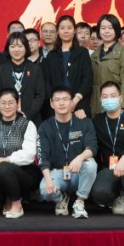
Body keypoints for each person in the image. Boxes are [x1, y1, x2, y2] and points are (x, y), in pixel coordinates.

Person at [37, 86, 97, 218]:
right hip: (57, 173)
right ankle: (61, 199)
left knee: (90, 164)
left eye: (65, 99)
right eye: (57, 100)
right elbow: (43, 157)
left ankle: (80, 201)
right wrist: (48, 180)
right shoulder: (45, 127)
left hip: (78, 172)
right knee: (44, 190)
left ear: (71, 101)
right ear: (51, 103)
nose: (61, 103)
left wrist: (80, 158)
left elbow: (92, 147)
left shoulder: (84, 122)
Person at [0, 89, 39, 218]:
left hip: (25, 174)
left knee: (4, 167)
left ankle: (17, 204)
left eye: (11, 103)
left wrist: (7, 159)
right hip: (0, 173)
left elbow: (29, 154)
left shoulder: (28, 124)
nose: (7, 106)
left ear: (18, 104)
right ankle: (9, 198)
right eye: (3, 103)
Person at [90, 81, 124, 219]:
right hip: (109, 167)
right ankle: (117, 198)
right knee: (98, 193)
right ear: (100, 99)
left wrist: (123, 160)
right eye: (105, 96)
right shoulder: (97, 120)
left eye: (113, 96)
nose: (109, 99)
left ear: (120, 98)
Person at [44, 15, 93, 120]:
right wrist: (55, 101)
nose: (66, 31)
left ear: (74, 31)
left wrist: (75, 101)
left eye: (69, 28)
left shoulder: (82, 53)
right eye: (62, 28)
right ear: (57, 31)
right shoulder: (51, 55)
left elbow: (87, 79)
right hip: (56, 106)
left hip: (79, 104)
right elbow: (47, 81)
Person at [0, 32, 47, 125]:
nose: (16, 50)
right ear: (8, 49)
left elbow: (40, 95)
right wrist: (9, 113)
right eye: (12, 46)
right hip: (5, 119)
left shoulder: (35, 69)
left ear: (26, 48)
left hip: (31, 119)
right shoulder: (0, 69)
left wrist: (28, 114)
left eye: (20, 46)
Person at [91, 15, 124, 116]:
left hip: (116, 104)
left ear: (116, 30)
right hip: (97, 105)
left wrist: (122, 108)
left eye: (110, 28)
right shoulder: (94, 55)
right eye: (103, 28)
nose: (106, 31)